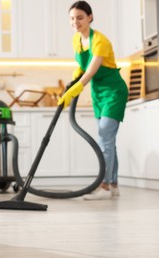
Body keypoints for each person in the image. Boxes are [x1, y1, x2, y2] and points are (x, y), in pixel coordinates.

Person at [58, 1, 128, 200]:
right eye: (72, 18)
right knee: (109, 142)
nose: (75, 22)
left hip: (114, 92)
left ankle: (104, 185)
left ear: (90, 17)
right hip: (98, 94)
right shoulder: (76, 40)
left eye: (80, 17)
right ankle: (113, 184)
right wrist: (71, 84)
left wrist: (76, 88)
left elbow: (90, 70)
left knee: (104, 138)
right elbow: (81, 66)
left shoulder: (100, 41)